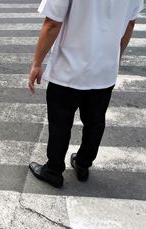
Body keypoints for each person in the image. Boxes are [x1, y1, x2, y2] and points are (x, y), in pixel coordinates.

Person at [27, 0, 144, 188]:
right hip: (104, 71)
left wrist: (36, 63)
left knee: (60, 123)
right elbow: (130, 23)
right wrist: (114, 57)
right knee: (95, 121)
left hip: (68, 70)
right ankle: (83, 163)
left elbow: (52, 24)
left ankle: (54, 170)